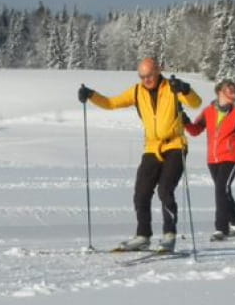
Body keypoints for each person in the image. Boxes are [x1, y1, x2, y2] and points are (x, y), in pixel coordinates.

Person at [78, 57, 203, 251]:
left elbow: (196, 103)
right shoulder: (137, 92)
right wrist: (91, 95)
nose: (147, 80)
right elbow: (111, 103)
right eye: (142, 76)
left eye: (150, 75)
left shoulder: (172, 87)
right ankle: (143, 235)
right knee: (141, 193)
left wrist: (185, 88)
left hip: (175, 145)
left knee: (165, 190)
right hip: (152, 148)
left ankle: (169, 235)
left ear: (158, 71)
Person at [184, 79, 235, 241]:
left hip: (232, 156)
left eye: (234, 90)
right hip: (213, 159)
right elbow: (195, 130)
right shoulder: (208, 112)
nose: (233, 93)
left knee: (221, 189)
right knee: (223, 191)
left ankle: (221, 229)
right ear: (219, 92)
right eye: (229, 89)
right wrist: (185, 122)